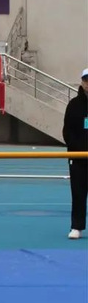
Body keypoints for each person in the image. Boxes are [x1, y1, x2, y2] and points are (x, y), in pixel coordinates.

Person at [63, 68, 88, 240]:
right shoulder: (74, 104)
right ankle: (76, 227)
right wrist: (77, 149)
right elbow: (67, 131)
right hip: (78, 158)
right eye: (86, 80)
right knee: (78, 194)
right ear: (82, 82)